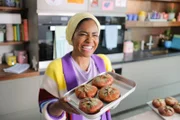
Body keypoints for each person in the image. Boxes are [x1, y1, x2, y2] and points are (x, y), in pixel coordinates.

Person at [38, 12, 114, 120]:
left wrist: (114, 87)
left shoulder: (104, 61)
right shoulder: (56, 68)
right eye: (83, 34)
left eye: (95, 35)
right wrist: (59, 106)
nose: (90, 40)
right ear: (72, 36)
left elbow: (111, 102)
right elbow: (45, 106)